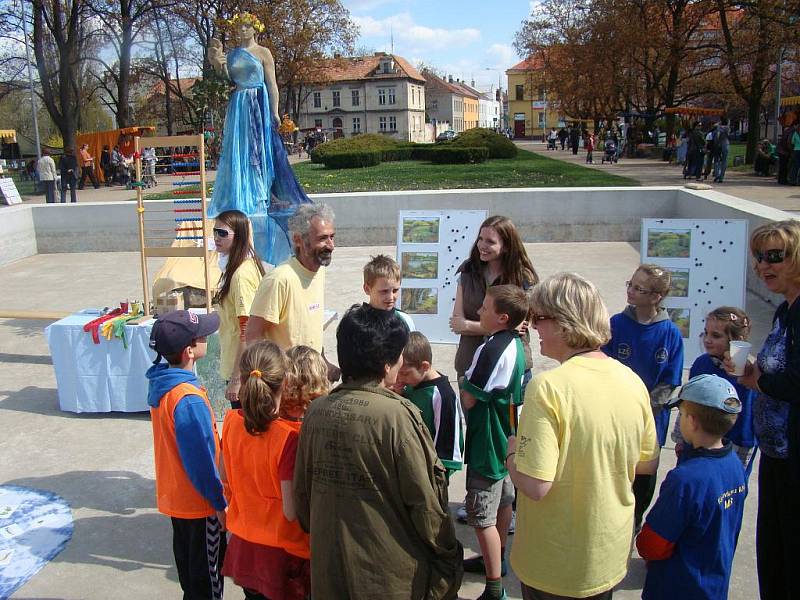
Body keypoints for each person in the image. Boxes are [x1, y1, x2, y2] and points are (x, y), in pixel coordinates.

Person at [293, 304, 463, 599]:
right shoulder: (398, 417)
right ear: (387, 364)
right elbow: (426, 507)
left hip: (329, 573)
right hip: (389, 579)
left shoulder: (316, 411)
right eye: (398, 357)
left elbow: (303, 499)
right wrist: (449, 558)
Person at [506, 272, 658, 600]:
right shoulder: (631, 380)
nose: (532, 327)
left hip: (556, 565)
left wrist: (511, 453)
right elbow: (647, 462)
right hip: (608, 555)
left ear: (564, 324)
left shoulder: (547, 388)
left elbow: (535, 485)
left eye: (537, 318)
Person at [724, 220, 800, 599]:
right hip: (776, 454)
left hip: (793, 460)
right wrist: (753, 370)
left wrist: (759, 382)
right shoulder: (786, 310)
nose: (763, 265)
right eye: (759, 257)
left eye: (775, 256)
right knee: (774, 553)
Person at [207, 13, 311, 265]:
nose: (241, 30)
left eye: (246, 26)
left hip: (256, 104)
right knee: (239, 152)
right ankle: (241, 194)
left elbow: (272, 84)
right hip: (239, 104)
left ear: (254, 29)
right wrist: (216, 63)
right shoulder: (231, 55)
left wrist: (274, 111)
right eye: (238, 27)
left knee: (258, 151)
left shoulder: (263, 52)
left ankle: (258, 193)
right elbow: (225, 80)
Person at [220, 342, 318, 600]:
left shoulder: (230, 422)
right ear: (285, 383)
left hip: (244, 546)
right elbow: (290, 511)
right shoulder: (289, 438)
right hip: (281, 556)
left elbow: (224, 476)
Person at [637, 374, 747, 600]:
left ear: (693, 421)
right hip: (714, 586)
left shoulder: (685, 479)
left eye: (682, 413)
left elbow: (652, 545)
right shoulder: (735, 466)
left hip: (676, 588)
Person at [146, 310, 227, 600]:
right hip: (200, 505)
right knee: (207, 583)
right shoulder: (188, 398)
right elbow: (201, 461)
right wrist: (219, 502)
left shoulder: (163, 386)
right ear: (189, 350)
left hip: (177, 500)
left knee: (191, 580)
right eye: (202, 335)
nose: (207, 336)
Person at [603, 264, 684, 532]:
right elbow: (604, 367)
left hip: (651, 418)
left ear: (657, 297)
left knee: (643, 473)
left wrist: (644, 408)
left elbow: (670, 380)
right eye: (630, 285)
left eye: (640, 288)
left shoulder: (670, 333)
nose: (631, 291)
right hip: (616, 416)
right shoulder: (616, 324)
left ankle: (634, 520)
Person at [459, 285, 528, 600]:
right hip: (505, 439)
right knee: (502, 504)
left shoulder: (491, 348)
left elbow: (470, 398)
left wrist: (462, 385)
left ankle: (494, 587)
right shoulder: (515, 344)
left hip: (487, 442)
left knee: (481, 516)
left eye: (485, 308)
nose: (479, 312)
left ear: (502, 317)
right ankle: (495, 561)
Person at [246, 204, 339, 380]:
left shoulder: (318, 272)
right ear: (298, 240)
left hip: (312, 383)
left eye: (332, 237)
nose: (331, 245)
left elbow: (310, 329)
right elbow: (253, 337)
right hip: (287, 388)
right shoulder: (279, 280)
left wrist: (323, 362)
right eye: (322, 239)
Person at [450, 215, 538, 380]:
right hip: (470, 366)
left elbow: (516, 327)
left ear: (506, 246)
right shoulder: (467, 271)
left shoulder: (523, 278)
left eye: (490, 241)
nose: (482, 245)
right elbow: (456, 323)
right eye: (480, 239)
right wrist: (495, 327)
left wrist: (468, 324)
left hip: (510, 367)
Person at [672, 307, 757, 475]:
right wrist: (681, 438)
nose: (707, 340)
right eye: (706, 333)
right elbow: (687, 403)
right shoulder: (701, 363)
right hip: (697, 439)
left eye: (716, 335)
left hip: (735, 443)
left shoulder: (748, 372)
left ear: (736, 340)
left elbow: (750, 415)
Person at [213, 210, 265, 409]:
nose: (216, 237)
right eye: (215, 231)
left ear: (240, 236)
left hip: (244, 370)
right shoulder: (242, 265)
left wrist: (236, 379)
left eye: (223, 233)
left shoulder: (240, 276)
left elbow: (247, 330)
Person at [398, 331, 463, 479]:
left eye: (405, 373)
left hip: (430, 474)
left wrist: (438, 479)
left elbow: (448, 445)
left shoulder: (442, 396)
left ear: (424, 366)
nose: (400, 378)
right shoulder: (410, 385)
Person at [363, 253, 415, 331]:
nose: (391, 297)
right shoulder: (356, 324)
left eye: (395, 290)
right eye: (384, 291)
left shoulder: (405, 321)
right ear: (367, 289)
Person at [711, 117, 731, 183]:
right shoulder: (727, 128)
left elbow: (717, 135)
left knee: (717, 160)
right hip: (725, 144)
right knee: (724, 160)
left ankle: (717, 174)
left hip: (718, 144)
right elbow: (728, 135)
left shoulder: (718, 127)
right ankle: (721, 177)